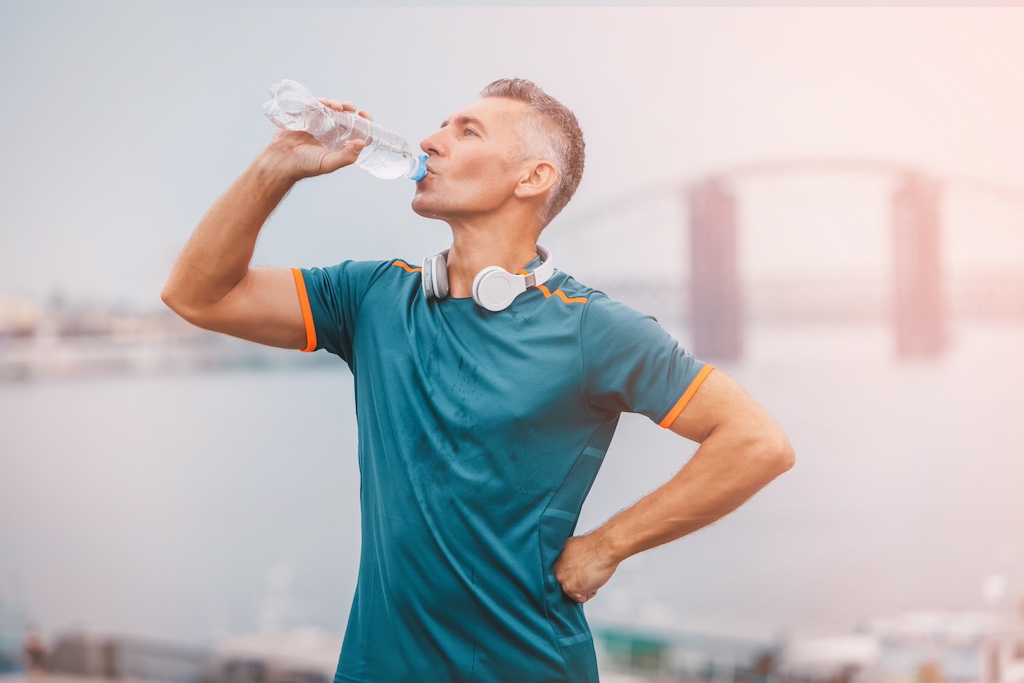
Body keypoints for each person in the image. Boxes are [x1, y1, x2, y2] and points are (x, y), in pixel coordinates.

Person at [162, 78, 794, 683]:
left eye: (467, 132)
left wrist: (607, 546)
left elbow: (755, 443)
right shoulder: (374, 298)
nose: (432, 141)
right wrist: (277, 166)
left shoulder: (592, 328)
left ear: (533, 177)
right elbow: (197, 295)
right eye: (440, 126)